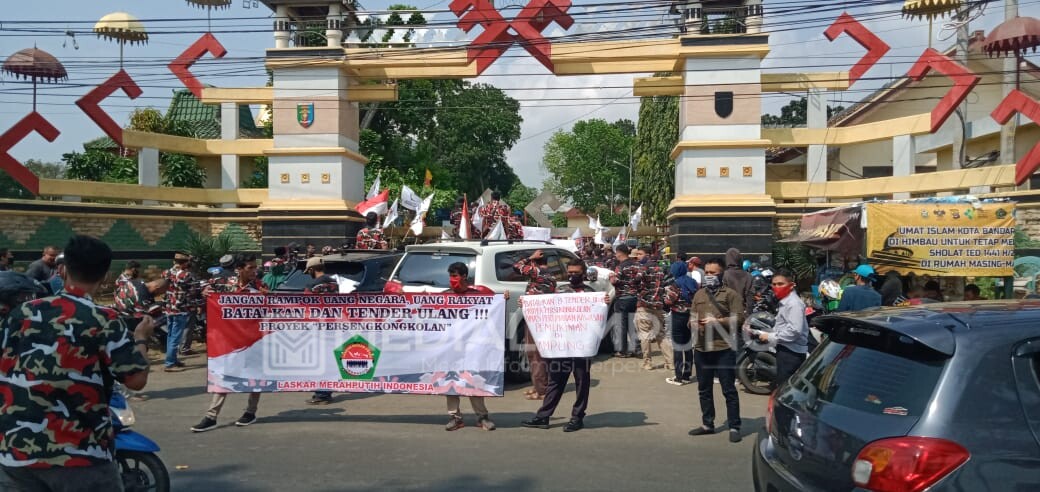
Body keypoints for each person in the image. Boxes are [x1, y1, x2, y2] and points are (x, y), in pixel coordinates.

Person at [0, 235, 153, 490]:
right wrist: (141, 339)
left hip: (14, 457)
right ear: (105, 276)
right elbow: (136, 379)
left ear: (62, 270)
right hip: (81, 458)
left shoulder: (22, 313)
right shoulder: (103, 319)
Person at [521, 260, 605, 432]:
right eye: (570, 272)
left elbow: (598, 313)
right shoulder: (560, 291)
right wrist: (527, 306)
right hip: (561, 344)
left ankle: (577, 417)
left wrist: (605, 302)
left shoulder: (591, 293)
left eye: (576, 272)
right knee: (555, 381)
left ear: (583, 273)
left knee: (582, 381)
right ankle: (543, 416)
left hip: (582, 346)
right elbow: (547, 310)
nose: (573, 275)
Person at [192, 253, 268, 432]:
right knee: (224, 374)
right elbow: (202, 291)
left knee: (255, 377)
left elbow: (271, 306)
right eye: (250, 268)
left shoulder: (260, 286)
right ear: (239, 269)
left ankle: (250, 412)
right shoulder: (223, 284)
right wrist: (205, 293)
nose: (254, 271)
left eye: (255, 267)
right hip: (229, 339)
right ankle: (212, 416)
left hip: (254, 339)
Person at [689, 257, 745, 443]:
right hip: (702, 348)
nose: (710, 276)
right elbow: (692, 315)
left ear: (722, 274)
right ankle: (707, 424)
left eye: (714, 273)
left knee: (728, 389)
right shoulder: (699, 295)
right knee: (703, 389)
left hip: (724, 349)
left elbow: (739, 319)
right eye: (708, 272)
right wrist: (692, 323)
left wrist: (718, 321)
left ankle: (735, 426)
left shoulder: (730, 295)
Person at [443, 262, 498, 431]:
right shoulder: (444, 296)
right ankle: (455, 417)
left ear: (464, 276)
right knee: (451, 383)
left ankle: (482, 417)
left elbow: (496, 305)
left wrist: (504, 298)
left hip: (474, 348)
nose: (452, 280)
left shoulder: (480, 294)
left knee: (474, 381)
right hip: (451, 348)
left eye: (455, 276)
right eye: (450, 276)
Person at [749, 269, 809, 391]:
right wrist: (763, 334)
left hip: (792, 353)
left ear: (792, 285)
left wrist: (770, 337)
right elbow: (782, 326)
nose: (777, 287)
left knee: (785, 390)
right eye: (774, 284)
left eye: (781, 284)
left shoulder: (793, 304)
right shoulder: (784, 302)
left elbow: (794, 331)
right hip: (785, 350)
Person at [513, 250, 555, 400]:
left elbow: (516, 266)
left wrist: (530, 257)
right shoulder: (550, 275)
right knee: (539, 354)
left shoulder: (537, 272)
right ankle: (540, 385)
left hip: (535, 319)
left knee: (535, 354)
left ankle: (542, 391)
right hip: (541, 318)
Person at [305, 257, 340, 405]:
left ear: (312, 269)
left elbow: (305, 306)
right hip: (333, 325)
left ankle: (321, 393)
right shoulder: (334, 283)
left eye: (309, 271)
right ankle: (326, 391)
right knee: (328, 359)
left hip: (318, 327)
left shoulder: (311, 285)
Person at [632, 246, 673, 371]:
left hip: (644, 305)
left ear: (648, 255)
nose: (637, 256)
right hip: (658, 305)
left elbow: (635, 281)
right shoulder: (661, 268)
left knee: (645, 334)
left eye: (640, 254)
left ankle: (647, 363)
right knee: (661, 334)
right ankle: (670, 362)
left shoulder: (643, 267)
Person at [162, 252, 196, 373]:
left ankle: (173, 359)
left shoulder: (166, 272)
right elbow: (193, 291)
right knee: (176, 337)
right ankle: (170, 363)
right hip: (180, 309)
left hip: (169, 307)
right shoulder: (186, 275)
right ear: (185, 263)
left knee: (171, 335)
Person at [664, 261, 697, 386]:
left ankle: (678, 377)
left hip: (677, 316)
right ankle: (687, 375)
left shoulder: (674, 284)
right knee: (688, 346)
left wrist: (665, 298)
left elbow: (669, 301)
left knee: (678, 347)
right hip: (690, 316)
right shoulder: (693, 282)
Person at [609, 245, 642, 358]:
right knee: (633, 324)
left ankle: (622, 351)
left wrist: (611, 277)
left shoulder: (620, 267)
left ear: (619, 253)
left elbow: (615, 281)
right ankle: (637, 349)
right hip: (634, 298)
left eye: (616, 253)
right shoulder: (637, 265)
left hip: (623, 298)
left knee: (622, 325)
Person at [722, 248, 752, 315]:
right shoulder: (748, 276)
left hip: (729, 312)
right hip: (743, 311)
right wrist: (748, 314)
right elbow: (750, 297)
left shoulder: (725, 275)